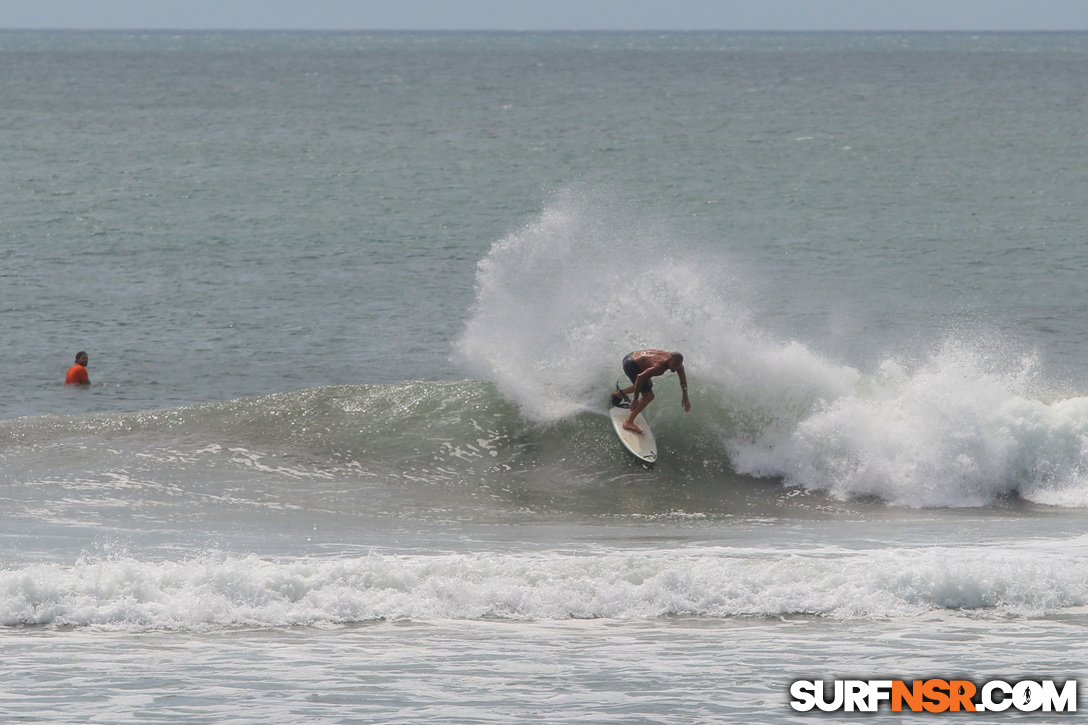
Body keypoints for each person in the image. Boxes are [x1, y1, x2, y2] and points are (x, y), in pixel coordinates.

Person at [613, 349, 690, 434]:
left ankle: (619, 394)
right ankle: (628, 422)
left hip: (631, 356)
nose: (675, 368)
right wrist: (635, 399)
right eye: (674, 365)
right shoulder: (659, 367)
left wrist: (685, 397)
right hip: (631, 365)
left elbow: (682, 378)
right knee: (649, 396)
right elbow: (640, 377)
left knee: (648, 384)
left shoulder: (677, 363)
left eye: (678, 366)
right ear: (669, 360)